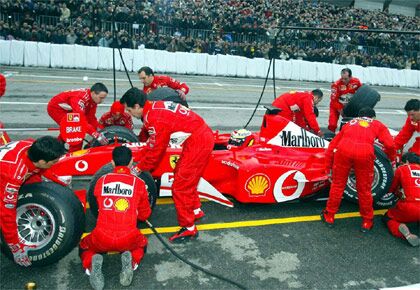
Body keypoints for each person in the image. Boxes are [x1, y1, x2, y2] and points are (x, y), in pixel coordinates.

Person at [120, 88, 214, 243]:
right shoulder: (154, 106)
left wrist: (137, 168)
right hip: (198, 136)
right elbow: (152, 143)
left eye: (129, 110)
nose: (129, 114)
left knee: (180, 185)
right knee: (182, 175)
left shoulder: (155, 118)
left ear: (137, 106)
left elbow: (156, 151)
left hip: (199, 141)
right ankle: (195, 210)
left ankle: (189, 228)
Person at [79, 146, 151, 289]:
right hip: (128, 237)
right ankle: (132, 262)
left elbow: (97, 202)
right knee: (142, 244)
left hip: (101, 236)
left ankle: (91, 265)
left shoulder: (101, 181)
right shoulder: (140, 183)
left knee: (84, 246)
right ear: (131, 162)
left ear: (112, 163)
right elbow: (144, 215)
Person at [321, 107, 395, 232]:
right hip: (365, 153)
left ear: (358, 116)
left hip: (343, 151)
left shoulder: (350, 123)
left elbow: (332, 146)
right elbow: (390, 145)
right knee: (364, 189)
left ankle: (329, 216)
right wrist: (391, 159)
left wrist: (327, 167)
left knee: (338, 185)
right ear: (373, 117)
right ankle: (367, 221)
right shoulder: (378, 124)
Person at [0, 136, 66, 267]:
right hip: (5, 172)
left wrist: (59, 182)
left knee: (36, 185)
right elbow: (6, 213)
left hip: (10, 166)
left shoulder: (32, 145)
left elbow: (37, 170)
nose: (56, 162)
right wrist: (15, 247)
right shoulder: (13, 175)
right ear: (42, 161)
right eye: (54, 161)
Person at [47, 83, 109, 151]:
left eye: (104, 98)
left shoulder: (92, 99)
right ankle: (73, 156)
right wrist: (96, 135)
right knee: (76, 132)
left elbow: (91, 118)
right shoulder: (80, 99)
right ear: (93, 93)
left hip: (69, 109)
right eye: (101, 98)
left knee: (70, 129)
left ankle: (57, 145)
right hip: (56, 109)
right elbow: (80, 122)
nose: (102, 101)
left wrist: (101, 130)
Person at [382, 152, 420, 247]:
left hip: (411, 207)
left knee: (387, 217)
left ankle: (402, 230)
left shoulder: (403, 168)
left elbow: (392, 188)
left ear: (406, 161)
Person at [328, 68, 362, 133]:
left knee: (350, 123)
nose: (343, 80)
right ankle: (330, 137)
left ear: (350, 77)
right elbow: (334, 100)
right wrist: (340, 110)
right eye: (342, 78)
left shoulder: (356, 82)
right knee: (332, 124)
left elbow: (362, 91)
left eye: (345, 79)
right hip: (336, 105)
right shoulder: (336, 85)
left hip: (349, 105)